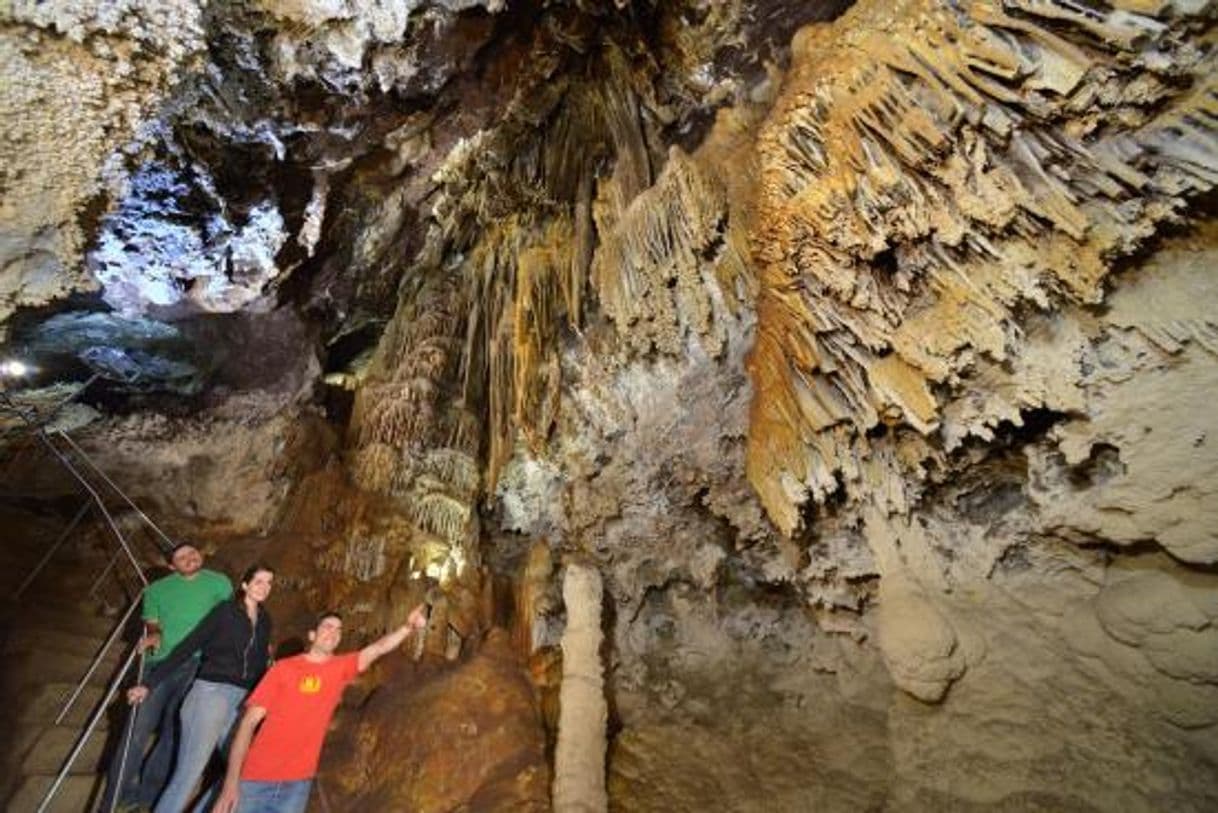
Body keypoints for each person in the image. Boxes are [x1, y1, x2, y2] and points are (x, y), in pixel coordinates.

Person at [213, 605, 429, 813]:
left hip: (297, 784)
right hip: (256, 778)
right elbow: (248, 723)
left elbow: (378, 648)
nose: (333, 632)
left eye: (338, 630)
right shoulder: (283, 669)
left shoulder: (339, 669)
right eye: (327, 626)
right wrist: (231, 782)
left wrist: (407, 627)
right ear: (312, 635)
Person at [127, 563, 275, 813]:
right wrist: (149, 684)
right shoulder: (225, 611)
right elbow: (188, 646)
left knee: (242, 772)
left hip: (241, 702)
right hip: (211, 694)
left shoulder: (265, 621)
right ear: (245, 585)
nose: (264, 587)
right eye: (259, 581)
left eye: (269, 582)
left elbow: (260, 665)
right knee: (189, 773)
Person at [102, 543, 233, 812]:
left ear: (202, 554)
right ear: (172, 566)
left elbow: (230, 618)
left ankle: (149, 796)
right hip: (161, 665)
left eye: (193, 552)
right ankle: (116, 797)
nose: (189, 558)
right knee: (137, 730)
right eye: (181, 557)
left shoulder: (219, 582)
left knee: (174, 732)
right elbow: (152, 621)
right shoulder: (156, 590)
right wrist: (154, 633)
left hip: (199, 665)